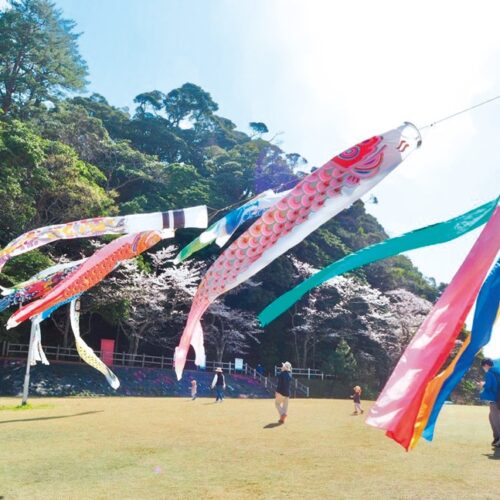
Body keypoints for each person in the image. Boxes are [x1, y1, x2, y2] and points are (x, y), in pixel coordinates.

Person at [479, 358, 500, 447]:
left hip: (495, 399)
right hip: (497, 398)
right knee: (492, 418)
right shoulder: (497, 371)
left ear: (486, 365)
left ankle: (498, 438)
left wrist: (482, 384)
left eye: (483, 366)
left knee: (495, 419)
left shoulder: (490, 373)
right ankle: (496, 438)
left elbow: (489, 386)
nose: (484, 368)